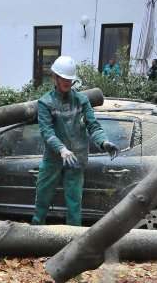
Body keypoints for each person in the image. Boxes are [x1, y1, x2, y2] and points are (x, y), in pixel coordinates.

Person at [31, 56, 119, 226]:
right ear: (55, 77)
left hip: (75, 159)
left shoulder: (82, 101)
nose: (67, 81)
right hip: (53, 158)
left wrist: (104, 143)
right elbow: (46, 131)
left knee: (74, 202)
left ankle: (74, 237)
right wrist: (62, 149)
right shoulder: (45, 102)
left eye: (70, 79)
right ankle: (36, 230)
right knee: (42, 196)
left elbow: (93, 125)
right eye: (63, 78)